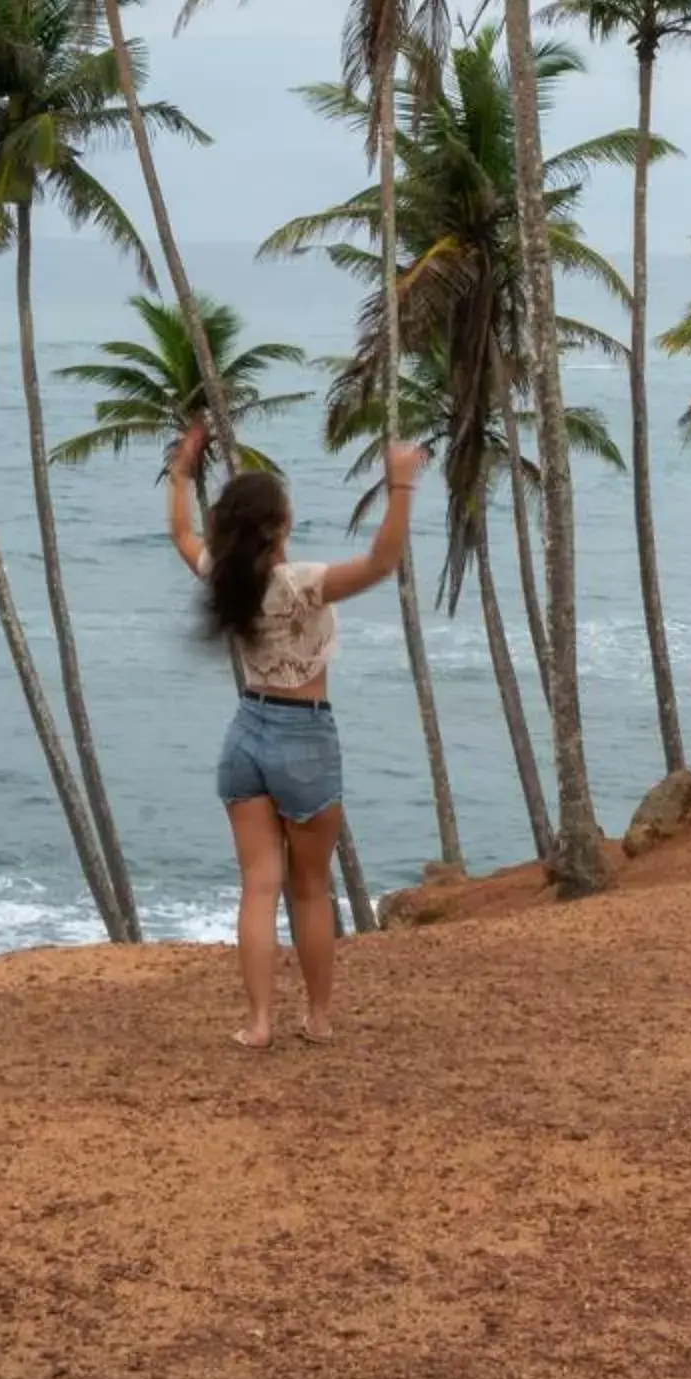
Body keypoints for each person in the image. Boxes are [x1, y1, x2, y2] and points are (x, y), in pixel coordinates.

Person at [165, 417, 425, 1046]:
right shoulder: (302, 584)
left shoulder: (225, 577)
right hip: (304, 736)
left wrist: (180, 473)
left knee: (258, 888)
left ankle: (257, 1024)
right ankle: (318, 1018)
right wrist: (401, 487)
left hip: (246, 733)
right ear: (278, 528)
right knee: (309, 889)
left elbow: (181, 532)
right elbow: (382, 562)